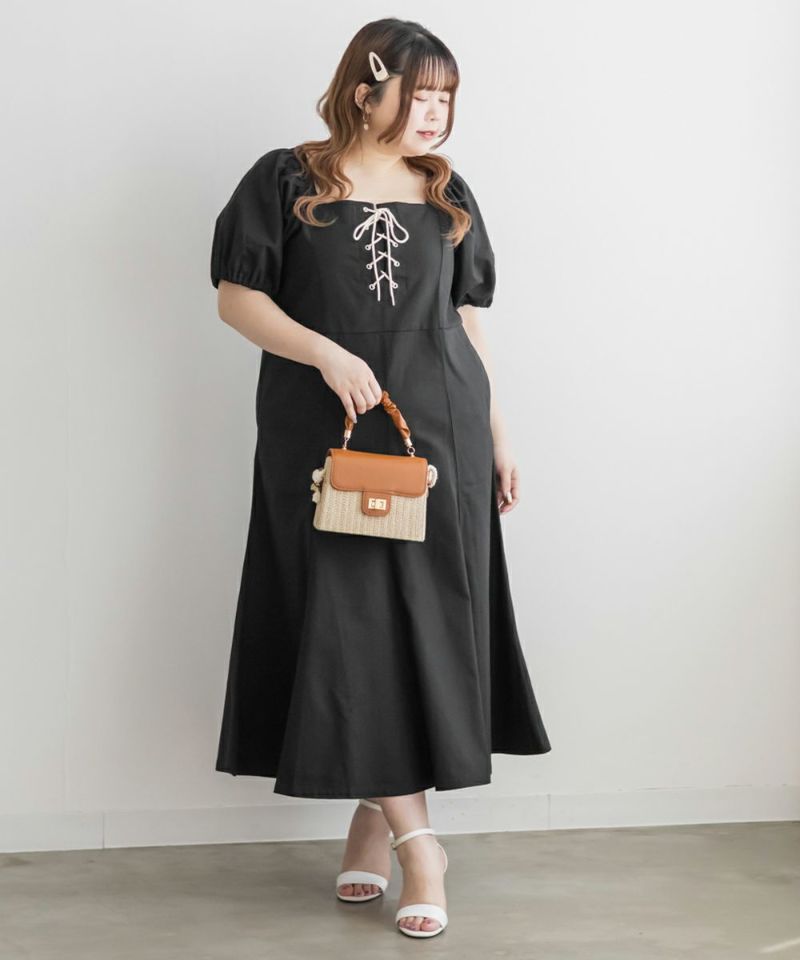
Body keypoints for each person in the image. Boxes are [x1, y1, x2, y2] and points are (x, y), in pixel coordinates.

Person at [209, 17, 551, 940]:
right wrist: (325, 353)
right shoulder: (288, 180)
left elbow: (467, 320)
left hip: (442, 431)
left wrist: (499, 433)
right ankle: (421, 846)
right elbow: (237, 298)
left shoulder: (446, 192)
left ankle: (374, 819)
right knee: (353, 626)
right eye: (419, 92)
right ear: (365, 91)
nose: (434, 113)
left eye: (446, 97)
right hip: (327, 434)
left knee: (424, 627)